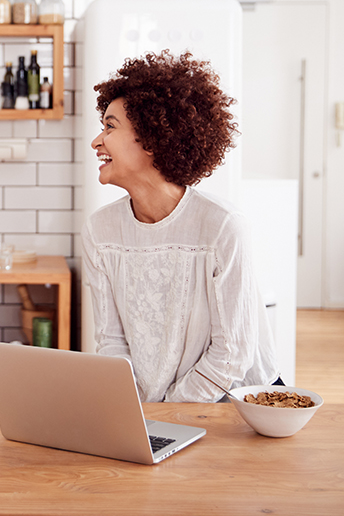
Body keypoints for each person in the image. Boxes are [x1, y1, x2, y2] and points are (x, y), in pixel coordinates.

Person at [82, 50, 280, 403]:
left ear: (154, 139)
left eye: (110, 127)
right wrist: (135, 409)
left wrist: (169, 413)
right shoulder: (100, 231)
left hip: (234, 404)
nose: (97, 141)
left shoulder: (222, 228)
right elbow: (110, 341)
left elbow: (231, 355)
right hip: (150, 410)